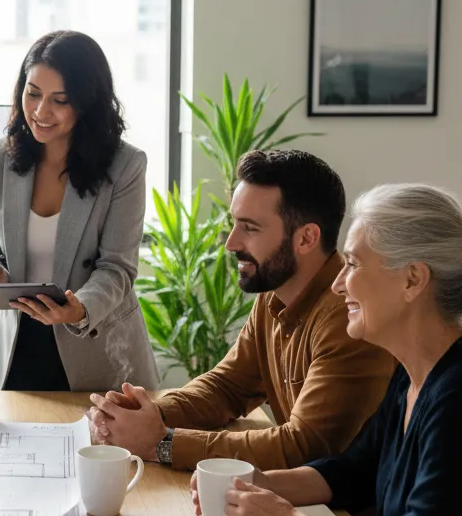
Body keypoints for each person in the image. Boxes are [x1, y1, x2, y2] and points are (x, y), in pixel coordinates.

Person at [211, 184, 462, 516]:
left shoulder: (456, 395)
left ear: (412, 280)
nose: (337, 282)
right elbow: (355, 471)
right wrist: (259, 483)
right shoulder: (412, 375)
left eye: (353, 263)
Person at [89, 149, 395, 470]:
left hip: (345, 514)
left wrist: (162, 443)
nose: (231, 243)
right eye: (234, 224)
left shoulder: (350, 315)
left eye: (249, 228)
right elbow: (228, 387)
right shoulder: (275, 292)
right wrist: (144, 416)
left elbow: (303, 445)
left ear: (306, 238)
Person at [0, 30, 159, 392]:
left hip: (95, 341)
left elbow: (117, 267)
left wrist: (79, 309)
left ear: (87, 103)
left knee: (105, 448)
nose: (40, 111)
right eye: (33, 93)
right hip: (19, 345)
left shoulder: (125, 165)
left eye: (60, 100)